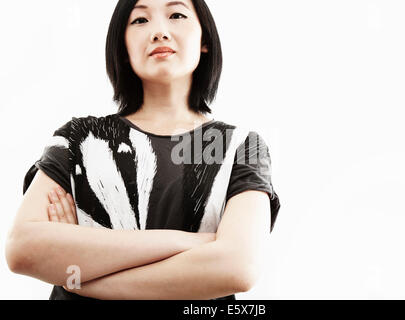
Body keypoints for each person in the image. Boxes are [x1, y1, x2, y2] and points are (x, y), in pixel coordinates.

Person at [5, 0, 280, 300]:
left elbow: (238, 267)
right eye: (139, 20)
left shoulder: (242, 146)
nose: (159, 32)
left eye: (176, 15)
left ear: (205, 41)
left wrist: (83, 274)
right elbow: (22, 248)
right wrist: (195, 243)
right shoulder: (79, 140)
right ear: (122, 48)